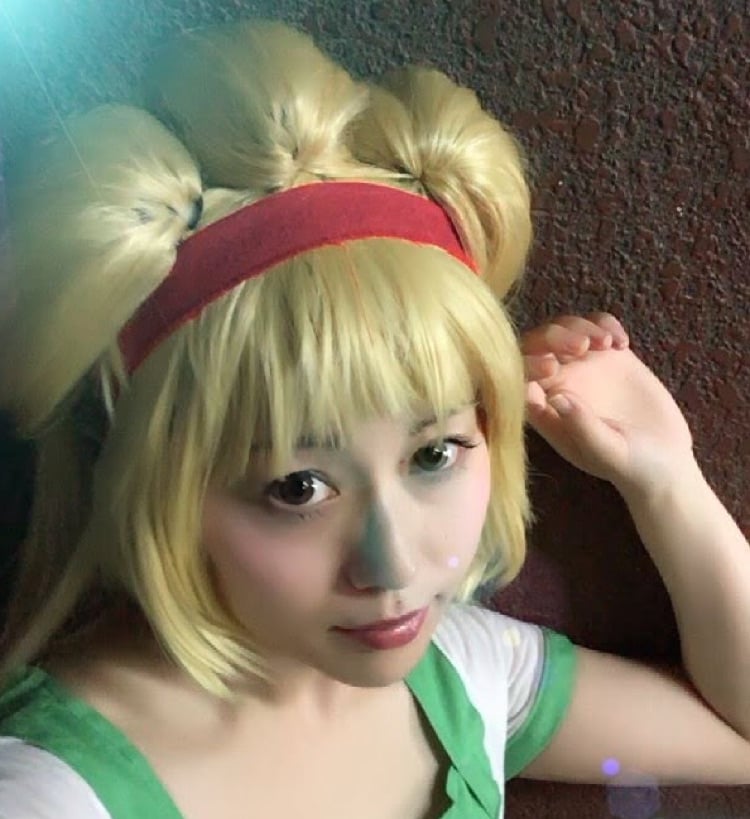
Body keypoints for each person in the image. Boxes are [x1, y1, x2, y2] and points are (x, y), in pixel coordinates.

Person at [0, 19, 747, 819]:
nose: (392, 566)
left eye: (435, 453)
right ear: (155, 483)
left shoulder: (460, 672)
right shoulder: (50, 797)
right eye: (297, 486)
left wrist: (667, 479)